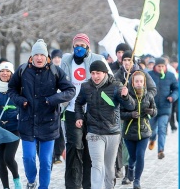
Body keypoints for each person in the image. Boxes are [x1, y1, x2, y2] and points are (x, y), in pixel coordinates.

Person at [8, 39, 76, 189]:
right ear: (31, 57)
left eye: (42, 55)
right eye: (36, 55)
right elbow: (11, 89)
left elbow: (70, 90)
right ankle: (31, 181)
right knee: (29, 158)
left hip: (49, 122)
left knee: (46, 161)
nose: (39, 58)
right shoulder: (23, 70)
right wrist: (20, 101)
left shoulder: (55, 71)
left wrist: (54, 99)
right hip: (27, 122)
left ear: (47, 57)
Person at [60, 33, 113, 189]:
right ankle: (72, 185)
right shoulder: (66, 60)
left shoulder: (97, 60)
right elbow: (60, 80)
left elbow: (110, 80)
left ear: (88, 46)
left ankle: (88, 185)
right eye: (76, 45)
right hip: (71, 110)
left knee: (90, 151)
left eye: (82, 45)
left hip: (92, 111)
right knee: (74, 147)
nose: (79, 48)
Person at [75, 60, 135, 189]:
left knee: (109, 167)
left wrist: (125, 97)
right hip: (94, 131)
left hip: (113, 132)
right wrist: (79, 117)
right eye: (92, 73)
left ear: (105, 73)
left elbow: (130, 106)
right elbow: (78, 103)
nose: (95, 76)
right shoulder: (86, 87)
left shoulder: (116, 86)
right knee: (97, 164)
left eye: (98, 73)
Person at [114, 50, 157, 183]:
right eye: (125, 60)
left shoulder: (142, 74)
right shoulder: (118, 74)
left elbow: (153, 91)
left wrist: (147, 104)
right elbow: (116, 91)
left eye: (129, 60)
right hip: (125, 120)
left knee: (140, 155)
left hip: (143, 127)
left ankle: (134, 179)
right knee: (127, 151)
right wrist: (125, 95)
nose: (127, 62)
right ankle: (127, 169)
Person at [121, 70, 157, 189]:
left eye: (141, 81)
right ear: (132, 82)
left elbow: (155, 111)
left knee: (140, 155)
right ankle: (130, 168)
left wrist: (152, 112)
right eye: (136, 81)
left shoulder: (149, 95)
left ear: (144, 82)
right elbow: (120, 113)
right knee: (133, 157)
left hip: (144, 131)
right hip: (129, 132)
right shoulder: (126, 95)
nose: (139, 83)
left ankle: (137, 180)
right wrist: (130, 115)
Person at [148, 58, 178, 159]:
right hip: (152, 107)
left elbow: (176, 89)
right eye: (159, 66)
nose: (161, 68)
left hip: (165, 107)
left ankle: (160, 150)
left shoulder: (170, 75)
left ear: (165, 67)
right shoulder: (150, 75)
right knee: (151, 129)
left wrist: (173, 96)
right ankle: (152, 139)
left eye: (162, 66)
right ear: (155, 66)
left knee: (162, 128)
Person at [50, 49, 66, 164]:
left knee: (60, 129)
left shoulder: (63, 71)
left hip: (62, 104)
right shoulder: (48, 70)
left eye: (58, 57)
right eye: (54, 57)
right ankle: (53, 153)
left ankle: (58, 153)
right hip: (51, 103)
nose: (56, 59)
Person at [169, 54, 179, 132]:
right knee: (171, 111)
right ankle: (173, 127)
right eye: (172, 63)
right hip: (171, 92)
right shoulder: (169, 70)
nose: (174, 64)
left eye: (175, 62)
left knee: (178, 110)